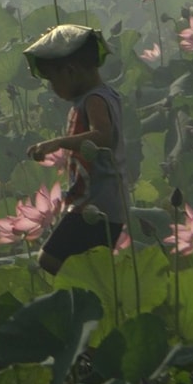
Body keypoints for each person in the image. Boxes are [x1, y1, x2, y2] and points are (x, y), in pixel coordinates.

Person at [24, 23, 128, 273]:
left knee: (50, 259)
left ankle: (87, 301)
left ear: (70, 71)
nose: (53, 89)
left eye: (53, 80)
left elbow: (103, 136)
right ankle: (96, 300)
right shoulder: (103, 95)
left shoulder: (94, 100)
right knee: (90, 268)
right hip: (101, 204)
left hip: (96, 205)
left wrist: (58, 143)